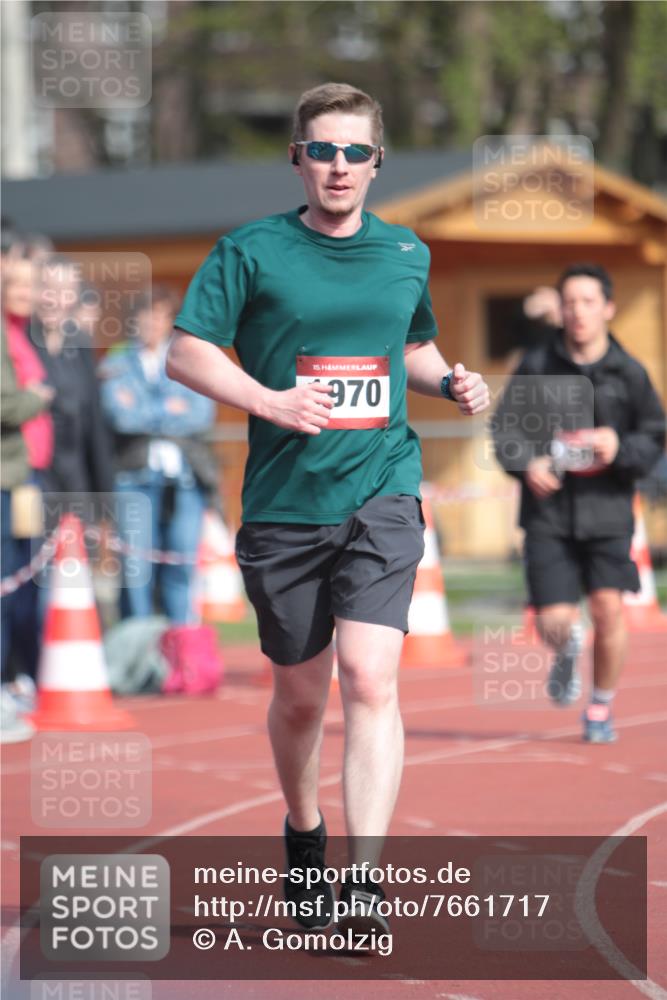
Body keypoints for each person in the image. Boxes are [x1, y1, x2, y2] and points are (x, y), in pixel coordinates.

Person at [166, 82, 489, 932]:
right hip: (285, 502)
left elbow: (410, 345)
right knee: (302, 699)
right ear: (297, 157)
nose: (338, 166)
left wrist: (451, 379)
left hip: (382, 485)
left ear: (376, 162)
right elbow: (185, 352)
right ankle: (303, 834)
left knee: (371, 680)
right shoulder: (250, 251)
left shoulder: (405, 253)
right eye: (323, 149)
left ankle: (362, 888)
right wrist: (269, 402)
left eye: (355, 152)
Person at [493, 262, 665, 744]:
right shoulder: (537, 364)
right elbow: (504, 429)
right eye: (570, 303)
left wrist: (619, 446)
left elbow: (654, 436)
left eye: (589, 302)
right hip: (548, 514)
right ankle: (567, 648)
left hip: (608, 512)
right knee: (555, 622)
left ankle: (600, 707)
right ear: (559, 310)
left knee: (609, 609)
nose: (579, 312)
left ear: (608, 308)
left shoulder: (628, 372)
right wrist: (528, 463)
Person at [99, 286, 217, 623]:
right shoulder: (116, 362)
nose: (151, 323)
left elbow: (199, 414)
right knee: (136, 571)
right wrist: (168, 412)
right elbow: (119, 416)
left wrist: (144, 411)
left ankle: (182, 652)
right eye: (145, 316)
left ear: (170, 321)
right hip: (133, 478)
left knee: (181, 566)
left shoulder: (190, 359)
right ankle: (138, 656)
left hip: (184, 479)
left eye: (159, 316)